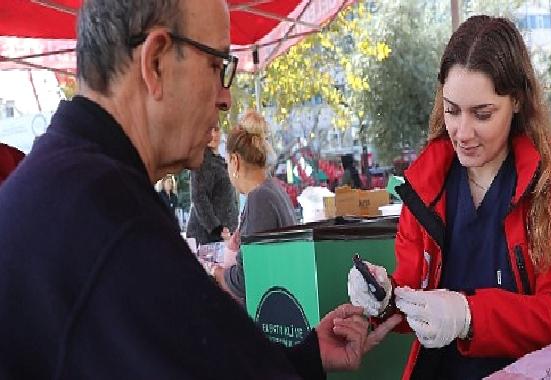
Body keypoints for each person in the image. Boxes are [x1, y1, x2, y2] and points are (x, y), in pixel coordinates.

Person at [0, 1, 401, 378]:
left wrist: (305, 357)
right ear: (155, 62)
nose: (225, 98)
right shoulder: (110, 217)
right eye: (218, 65)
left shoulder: (64, 183)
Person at [347, 15, 551, 380]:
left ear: (516, 101)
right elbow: (414, 296)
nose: (462, 133)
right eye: (451, 110)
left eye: (482, 114)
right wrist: (385, 298)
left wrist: (469, 316)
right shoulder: (426, 184)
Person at [211, 110, 297, 303]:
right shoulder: (272, 190)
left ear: (235, 161)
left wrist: (217, 273)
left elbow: (246, 279)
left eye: (227, 163)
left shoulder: (259, 199)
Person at [187, 124, 238, 245]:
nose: (213, 135)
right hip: (207, 238)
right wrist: (216, 228)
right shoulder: (201, 161)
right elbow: (199, 198)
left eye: (216, 130)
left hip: (221, 236)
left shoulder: (218, 160)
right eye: (209, 130)